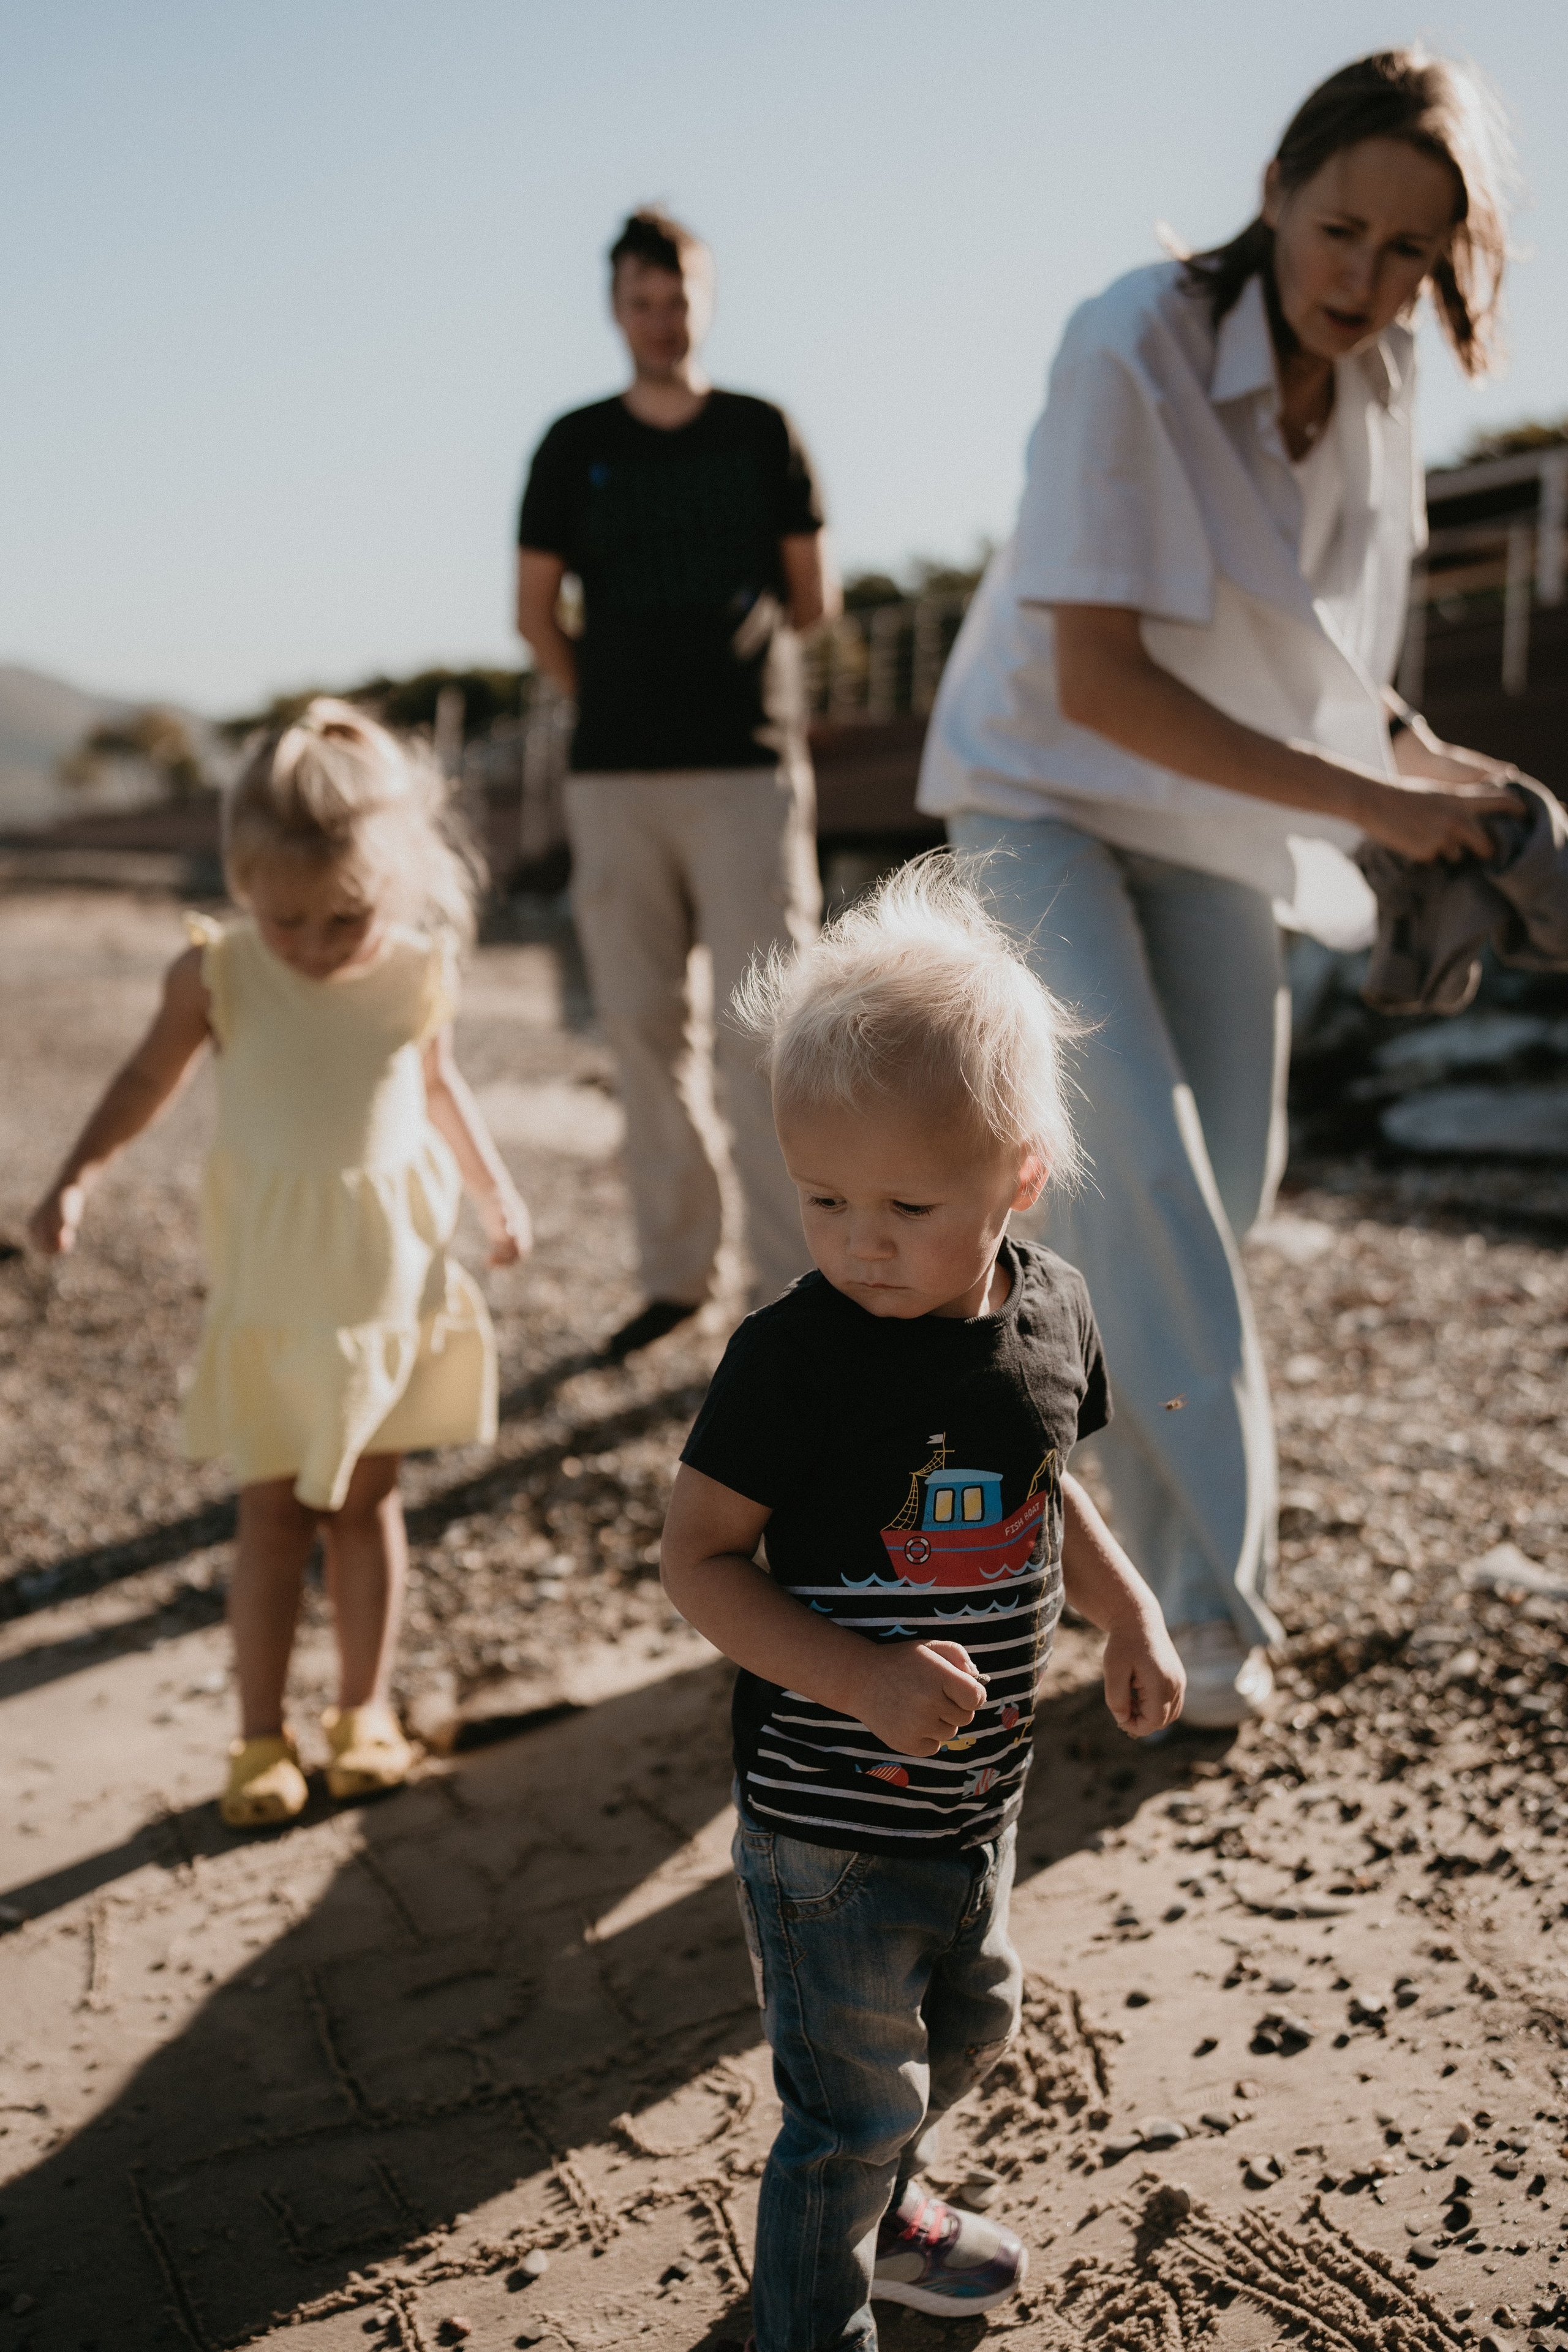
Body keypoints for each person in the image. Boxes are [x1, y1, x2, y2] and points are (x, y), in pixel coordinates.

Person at [918, 48, 1523, 1728]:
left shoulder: (1384, 381)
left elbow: (1319, 657)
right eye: (1343, 232)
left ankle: (1006, 1502)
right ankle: (1205, 1630)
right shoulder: (1131, 341)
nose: (1369, 282)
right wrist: (1371, 811)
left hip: (1216, 819)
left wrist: (1426, 761)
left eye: (1413, 255)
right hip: (1043, 792)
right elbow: (1101, 684)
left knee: (1215, 1198)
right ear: (1276, 192)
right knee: (1154, 1200)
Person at [661, 861, 1184, 2351]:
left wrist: (1129, 1611)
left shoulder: (1049, 1313)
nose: (858, 1242)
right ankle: (808, 2321)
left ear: (1017, 1177)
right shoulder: (790, 1360)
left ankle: (890, 2224)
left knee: (966, 2029)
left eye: (905, 1203)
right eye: (820, 1198)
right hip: (825, 1825)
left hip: (976, 1804)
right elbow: (696, 1561)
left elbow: (1041, 1492)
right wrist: (856, 1678)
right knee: (842, 2108)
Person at [28, 701, 532, 1827]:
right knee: (271, 1515)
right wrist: (76, 1177)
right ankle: (260, 1737)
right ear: (243, 885)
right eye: (285, 916)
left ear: (394, 881)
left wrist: (495, 1194)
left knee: (369, 1506)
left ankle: (363, 1713)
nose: (310, 944)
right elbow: (139, 1083)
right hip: (274, 1294)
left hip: (390, 1281)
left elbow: (440, 1090)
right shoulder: (219, 974)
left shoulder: (417, 972)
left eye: (342, 917)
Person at [516, 205, 839, 1356]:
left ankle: (793, 1287)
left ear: (706, 302)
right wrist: (607, 691)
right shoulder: (570, 445)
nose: (663, 319)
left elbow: (814, 597)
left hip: (747, 767)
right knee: (644, 1029)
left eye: (680, 299)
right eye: (642, 302)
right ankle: (673, 1274)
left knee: (768, 1030)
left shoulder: (760, 432)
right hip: (616, 778)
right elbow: (533, 612)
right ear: (617, 310)